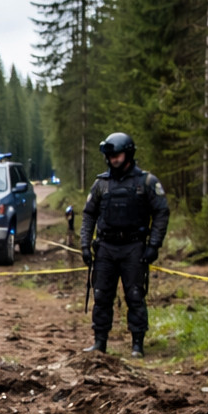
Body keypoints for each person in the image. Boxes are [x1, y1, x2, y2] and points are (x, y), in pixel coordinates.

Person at [79, 132, 170, 358]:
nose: (113, 159)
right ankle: (100, 342)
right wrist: (84, 245)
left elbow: (161, 212)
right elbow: (89, 215)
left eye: (117, 155)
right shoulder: (101, 184)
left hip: (134, 247)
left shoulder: (147, 182)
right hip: (106, 248)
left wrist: (154, 245)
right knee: (101, 296)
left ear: (128, 153)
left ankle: (137, 344)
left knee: (135, 296)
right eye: (110, 156)